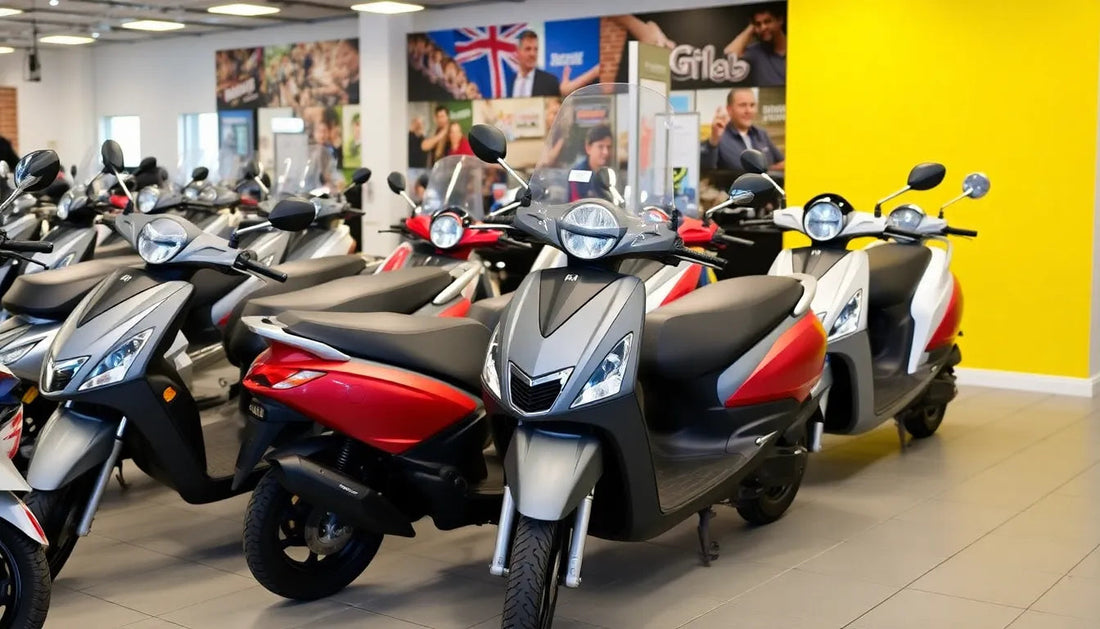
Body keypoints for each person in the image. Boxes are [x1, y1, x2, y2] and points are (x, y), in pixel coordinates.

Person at [700, 88, 784, 171]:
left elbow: (782, 163)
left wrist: (767, 171)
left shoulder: (761, 134)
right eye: (743, 105)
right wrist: (714, 141)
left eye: (752, 105)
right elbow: (706, 170)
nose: (748, 110)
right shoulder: (718, 138)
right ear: (729, 109)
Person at [725, 4, 786, 86]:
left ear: (780, 20)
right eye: (758, 24)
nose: (763, 27)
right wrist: (751, 27)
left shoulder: (800, 47)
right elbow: (729, 57)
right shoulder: (756, 52)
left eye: (767, 21)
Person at [510, 31, 561, 98]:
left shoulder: (550, 82)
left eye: (535, 49)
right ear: (518, 52)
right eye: (528, 49)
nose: (533, 54)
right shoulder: (509, 82)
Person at [569, 124, 613, 200]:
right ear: (588, 148)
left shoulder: (611, 173)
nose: (606, 152)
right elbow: (575, 203)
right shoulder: (577, 174)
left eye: (609, 147)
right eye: (600, 146)